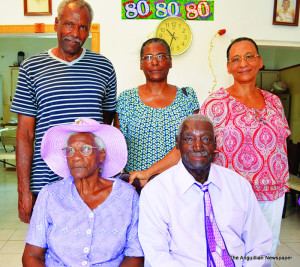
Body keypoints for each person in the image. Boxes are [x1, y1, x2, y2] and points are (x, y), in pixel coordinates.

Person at [132, 37, 290, 262]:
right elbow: (191, 145)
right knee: (222, 249)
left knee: (264, 249)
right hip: (230, 194)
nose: (243, 63)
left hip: (272, 193)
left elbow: (280, 145)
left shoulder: (274, 102)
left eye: (249, 57)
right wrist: (148, 173)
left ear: (259, 61)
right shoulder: (216, 103)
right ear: (228, 67)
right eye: (236, 59)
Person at [10, 0, 117, 223]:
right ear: (56, 24)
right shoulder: (31, 68)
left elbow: (105, 127)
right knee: (46, 253)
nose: (75, 33)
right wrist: (23, 191)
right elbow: (25, 134)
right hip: (45, 183)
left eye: (83, 27)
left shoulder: (104, 67)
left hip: (91, 183)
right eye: (69, 24)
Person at [138, 114, 273, 267]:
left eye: (206, 139)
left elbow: (259, 243)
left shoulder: (239, 186)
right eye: (189, 139)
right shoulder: (156, 192)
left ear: (215, 144)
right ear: (177, 143)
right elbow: (157, 255)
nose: (198, 146)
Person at [22, 118, 144, 267]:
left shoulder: (127, 196)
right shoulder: (50, 194)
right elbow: (32, 255)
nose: (76, 157)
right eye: (70, 150)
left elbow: (135, 254)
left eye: (86, 149)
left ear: (102, 155)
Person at [114, 38, 199, 185]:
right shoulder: (126, 100)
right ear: (141, 64)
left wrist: (149, 173)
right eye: (148, 57)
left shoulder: (187, 98)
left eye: (160, 56)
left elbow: (192, 146)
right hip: (137, 186)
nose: (154, 62)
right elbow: (117, 148)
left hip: (179, 186)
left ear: (170, 62)